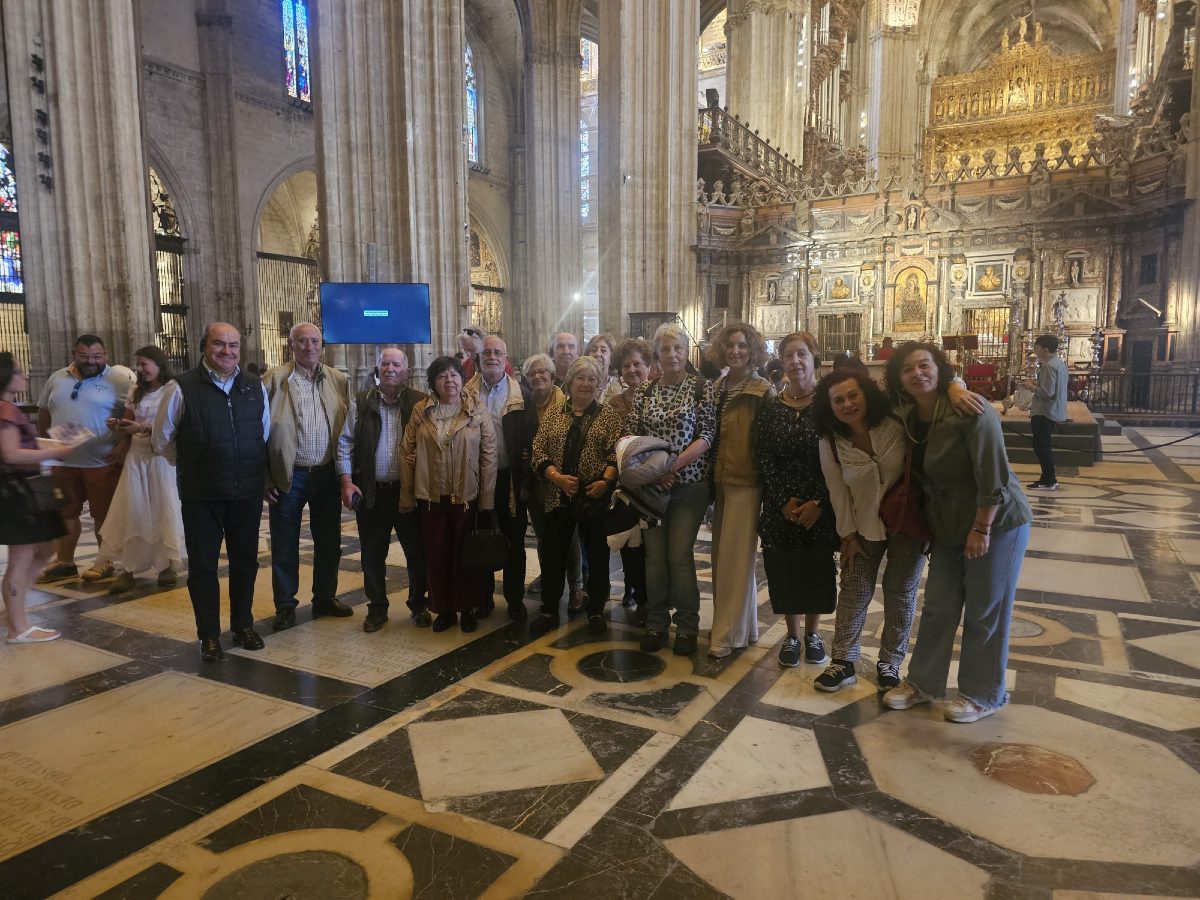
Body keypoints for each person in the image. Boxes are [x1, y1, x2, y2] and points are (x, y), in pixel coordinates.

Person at [882, 342, 1032, 723]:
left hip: (995, 521)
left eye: (925, 365)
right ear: (898, 378)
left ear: (940, 369)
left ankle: (984, 694)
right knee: (938, 606)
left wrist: (982, 527)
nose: (918, 373)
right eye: (908, 369)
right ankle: (923, 682)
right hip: (946, 522)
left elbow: (993, 474)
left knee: (985, 609)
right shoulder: (906, 414)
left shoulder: (970, 409)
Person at [153, 323, 270, 661]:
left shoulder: (253, 387)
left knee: (245, 562)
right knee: (203, 567)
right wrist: (197, 462)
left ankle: (243, 625)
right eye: (220, 344)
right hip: (201, 493)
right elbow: (163, 440)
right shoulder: (181, 387)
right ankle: (208, 635)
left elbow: (262, 433)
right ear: (204, 345)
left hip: (246, 490)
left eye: (234, 345)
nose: (227, 351)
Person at [812, 369, 925, 691]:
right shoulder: (831, 442)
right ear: (829, 407)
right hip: (863, 527)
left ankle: (891, 662)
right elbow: (837, 491)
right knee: (853, 589)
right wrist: (848, 536)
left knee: (900, 592)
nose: (847, 404)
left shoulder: (895, 422)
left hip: (907, 524)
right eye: (838, 400)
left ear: (866, 394)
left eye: (853, 395)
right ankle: (842, 661)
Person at [628, 322, 715, 656]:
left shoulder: (700, 387)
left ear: (686, 351)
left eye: (677, 347)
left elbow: (707, 435)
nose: (672, 354)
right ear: (657, 355)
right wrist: (652, 473)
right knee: (654, 558)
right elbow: (631, 436)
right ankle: (656, 623)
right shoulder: (646, 392)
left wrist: (670, 467)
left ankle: (688, 626)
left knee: (678, 556)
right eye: (665, 349)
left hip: (688, 485)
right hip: (650, 488)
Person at [756, 331, 838, 668]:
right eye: (789, 355)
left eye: (802, 354)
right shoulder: (772, 407)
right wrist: (783, 502)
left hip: (820, 504)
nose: (796, 361)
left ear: (814, 358)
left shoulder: (830, 405)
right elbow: (763, 457)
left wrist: (819, 502)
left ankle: (813, 633)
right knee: (783, 570)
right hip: (781, 505)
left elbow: (840, 456)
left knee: (816, 569)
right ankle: (791, 635)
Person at [264, 323, 351, 631]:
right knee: (285, 542)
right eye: (303, 341)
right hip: (290, 473)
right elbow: (259, 432)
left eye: (315, 341)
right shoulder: (274, 380)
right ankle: (285, 605)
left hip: (326, 472)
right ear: (292, 345)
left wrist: (345, 475)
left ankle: (325, 597)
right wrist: (266, 477)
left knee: (329, 541)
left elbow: (346, 432)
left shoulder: (338, 379)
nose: (309, 347)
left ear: (322, 345)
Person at [399, 356, 496, 633]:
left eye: (454, 375)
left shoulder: (476, 410)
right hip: (430, 497)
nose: (449, 380)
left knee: (464, 557)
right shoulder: (422, 411)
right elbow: (406, 451)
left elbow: (489, 456)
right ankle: (443, 609)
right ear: (433, 382)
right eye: (442, 376)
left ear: (462, 380)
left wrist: (486, 500)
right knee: (437, 555)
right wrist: (407, 496)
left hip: (465, 496)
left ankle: (467, 609)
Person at [529, 356, 624, 637]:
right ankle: (548, 610)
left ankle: (595, 610)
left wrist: (605, 482)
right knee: (554, 554)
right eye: (580, 378)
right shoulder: (554, 414)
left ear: (599, 384)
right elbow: (538, 450)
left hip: (594, 496)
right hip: (559, 494)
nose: (586, 384)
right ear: (569, 382)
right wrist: (556, 478)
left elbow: (617, 453)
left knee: (596, 555)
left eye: (592, 379)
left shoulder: (608, 416)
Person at [338, 347, 429, 632]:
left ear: (406, 370)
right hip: (372, 491)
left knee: (416, 553)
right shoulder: (362, 402)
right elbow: (345, 443)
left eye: (396, 364)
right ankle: (377, 608)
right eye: (385, 363)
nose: (390, 368)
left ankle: (418, 604)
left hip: (408, 492)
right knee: (372, 553)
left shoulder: (420, 402)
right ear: (378, 369)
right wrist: (346, 479)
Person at [35, 334, 133, 583]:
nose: (91, 361)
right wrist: (48, 442)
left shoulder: (119, 381)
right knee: (65, 513)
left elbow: (134, 415)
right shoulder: (57, 377)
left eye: (97, 356)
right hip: (64, 461)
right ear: (74, 353)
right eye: (84, 356)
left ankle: (105, 562)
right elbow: (44, 411)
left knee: (103, 515)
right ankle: (65, 563)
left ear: (106, 355)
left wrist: (124, 445)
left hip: (102, 460)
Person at [707, 322, 773, 659]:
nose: (736, 351)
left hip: (745, 480)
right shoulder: (717, 387)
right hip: (718, 480)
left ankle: (726, 633)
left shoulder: (762, 390)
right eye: (731, 345)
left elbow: (768, 442)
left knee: (736, 558)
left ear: (753, 351)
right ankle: (742, 627)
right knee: (723, 558)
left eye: (743, 346)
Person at [99, 346, 185, 593]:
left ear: (159, 364)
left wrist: (142, 429)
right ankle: (127, 569)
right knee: (132, 509)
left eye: (144, 364)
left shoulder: (173, 390)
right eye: (138, 365)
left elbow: (175, 425)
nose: (140, 369)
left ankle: (167, 565)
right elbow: (130, 419)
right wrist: (120, 426)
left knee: (162, 508)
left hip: (161, 458)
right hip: (137, 458)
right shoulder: (136, 390)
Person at [465, 335, 537, 622]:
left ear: (506, 357)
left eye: (497, 352)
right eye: (487, 352)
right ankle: (481, 599)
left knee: (514, 541)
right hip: (475, 479)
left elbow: (532, 441)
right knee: (478, 538)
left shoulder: (522, 395)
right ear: (478, 357)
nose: (492, 356)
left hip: (509, 480)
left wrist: (526, 483)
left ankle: (515, 598)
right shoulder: (466, 392)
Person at [0, 353, 68, 643]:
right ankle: (18, 627)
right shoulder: (4, 410)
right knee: (22, 556)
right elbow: (11, 454)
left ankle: (13, 609)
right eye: (18, 371)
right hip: (17, 491)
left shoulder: (8, 408)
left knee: (45, 548)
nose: (24, 375)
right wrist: (57, 452)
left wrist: (49, 444)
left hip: (20, 488)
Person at [608, 338, 653, 622]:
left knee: (654, 549)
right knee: (631, 548)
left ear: (648, 366)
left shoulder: (659, 394)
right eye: (626, 365)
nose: (632, 369)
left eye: (637, 364)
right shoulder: (614, 403)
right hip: (626, 485)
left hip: (655, 483)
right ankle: (641, 599)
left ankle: (656, 602)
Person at [1024, 334, 1068, 491]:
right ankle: (1047, 478)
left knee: (1041, 446)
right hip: (1053, 410)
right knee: (1044, 445)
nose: (1035, 351)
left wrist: (1031, 387)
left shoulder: (1049, 366)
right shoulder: (1059, 364)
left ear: (1046, 349)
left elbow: (1047, 392)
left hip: (1044, 411)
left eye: (1037, 348)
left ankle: (1049, 479)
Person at [585, 332, 623, 403]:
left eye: (603, 351)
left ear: (612, 357)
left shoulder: (620, 387)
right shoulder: (580, 383)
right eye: (593, 350)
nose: (598, 354)